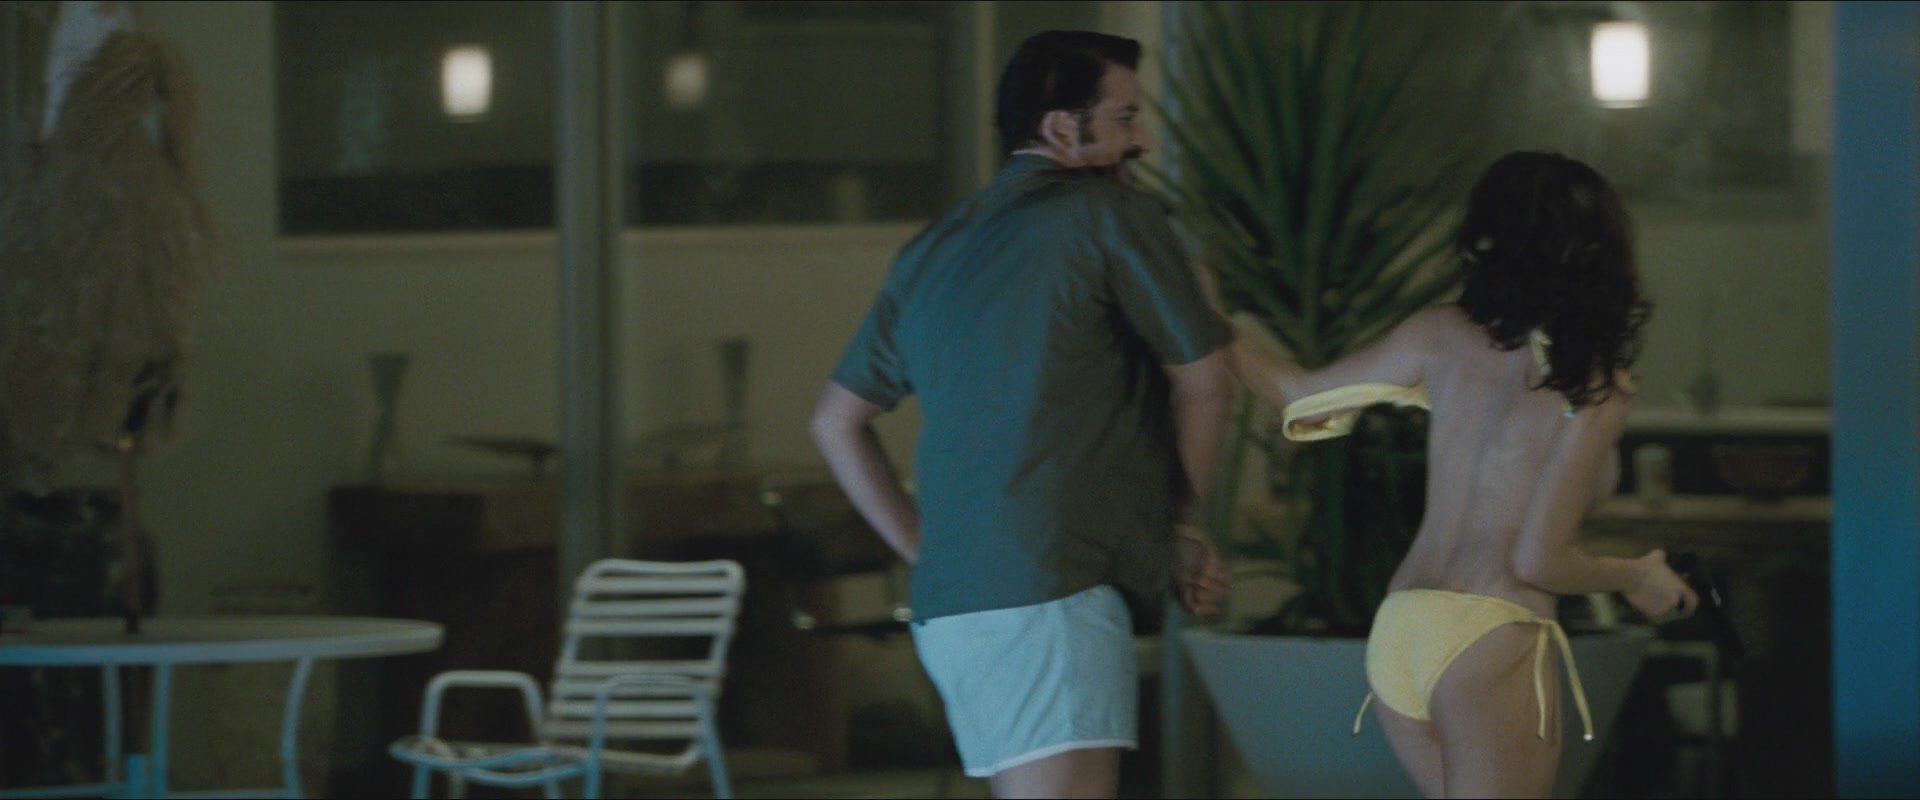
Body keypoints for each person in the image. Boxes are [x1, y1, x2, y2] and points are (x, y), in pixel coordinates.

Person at [809, 29, 1234, 800]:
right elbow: (1206, 380)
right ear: (1060, 126)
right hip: (1050, 598)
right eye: (1125, 117)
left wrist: (927, 550)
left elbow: (835, 423)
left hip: (955, 612)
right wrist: (1178, 523)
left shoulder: (933, 248)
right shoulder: (1107, 214)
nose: (1142, 140)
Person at [1214, 151, 1699, 798]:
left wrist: (1198, 314)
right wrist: (1638, 575)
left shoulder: (1436, 334)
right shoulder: (1593, 388)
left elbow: (1296, 395)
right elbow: (1539, 559)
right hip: (1490, 634)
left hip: (1405, 626)